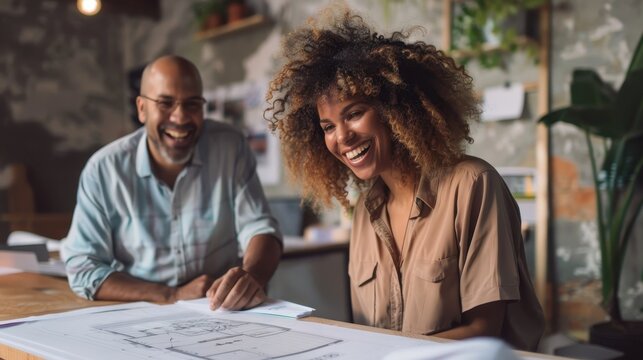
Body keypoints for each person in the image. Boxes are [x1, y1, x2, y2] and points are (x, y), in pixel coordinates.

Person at [265, 10, 544, 351]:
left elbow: (484, 331)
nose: (342, 138)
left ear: (393, 109)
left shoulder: (473, 185)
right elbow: (367, 332)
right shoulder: (366, 213)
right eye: (328, 127)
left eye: (354, 114)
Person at [62, 55, 282, 311]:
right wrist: (170, 294)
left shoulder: (231, 147)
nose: (180, 117)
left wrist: (251, 276)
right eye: (166, 103)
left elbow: (260, 228)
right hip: (141, 316)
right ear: (142, 109)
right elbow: (82, 267)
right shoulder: (103, 170)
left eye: (192, 104)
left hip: (222, 312)